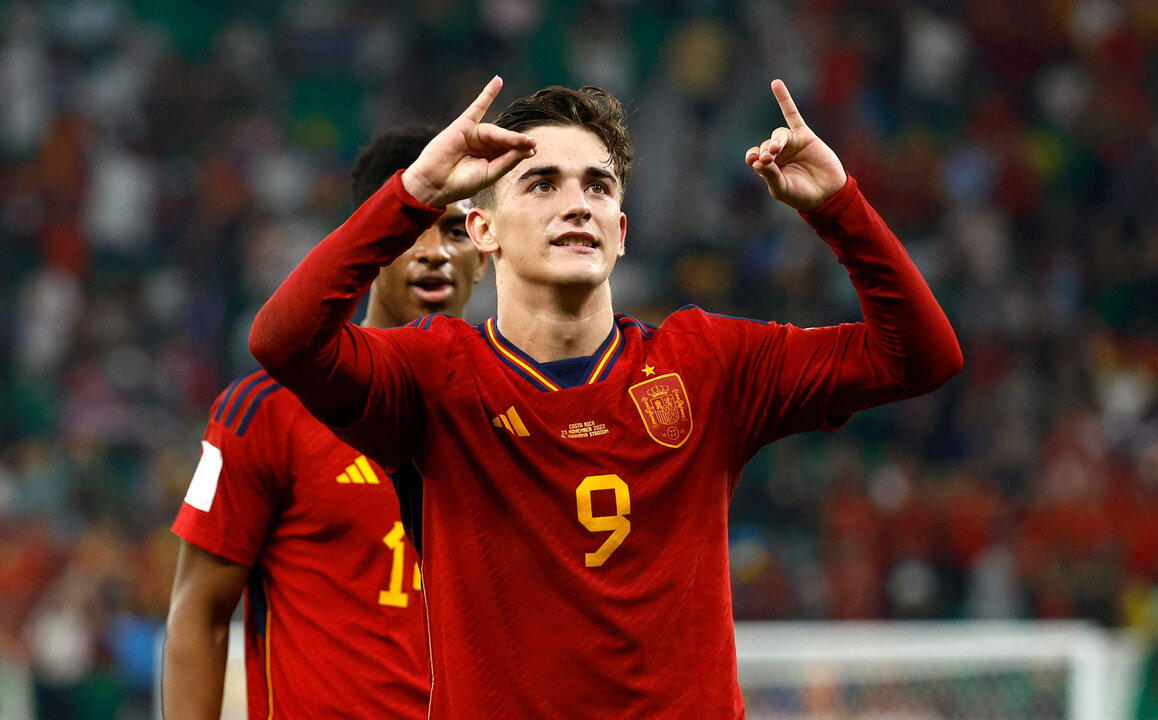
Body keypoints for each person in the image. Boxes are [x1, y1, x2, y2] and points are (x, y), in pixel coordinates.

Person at [248, 76, 963, 718]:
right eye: (542, 184)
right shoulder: (433, 375)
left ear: (620, 233)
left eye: (597, 186)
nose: (576, 205)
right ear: (482, 229)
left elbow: (922, 357)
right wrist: (411, 197)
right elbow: (285, 340)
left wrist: (841, 208)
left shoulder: (708, 363)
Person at [162, 127, 487, 720]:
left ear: (485, 252)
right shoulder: (261, 410)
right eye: (413, 230)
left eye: (455, 230)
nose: (434, 252)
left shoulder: (512, 411)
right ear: (370, 243)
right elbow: (199, 611)